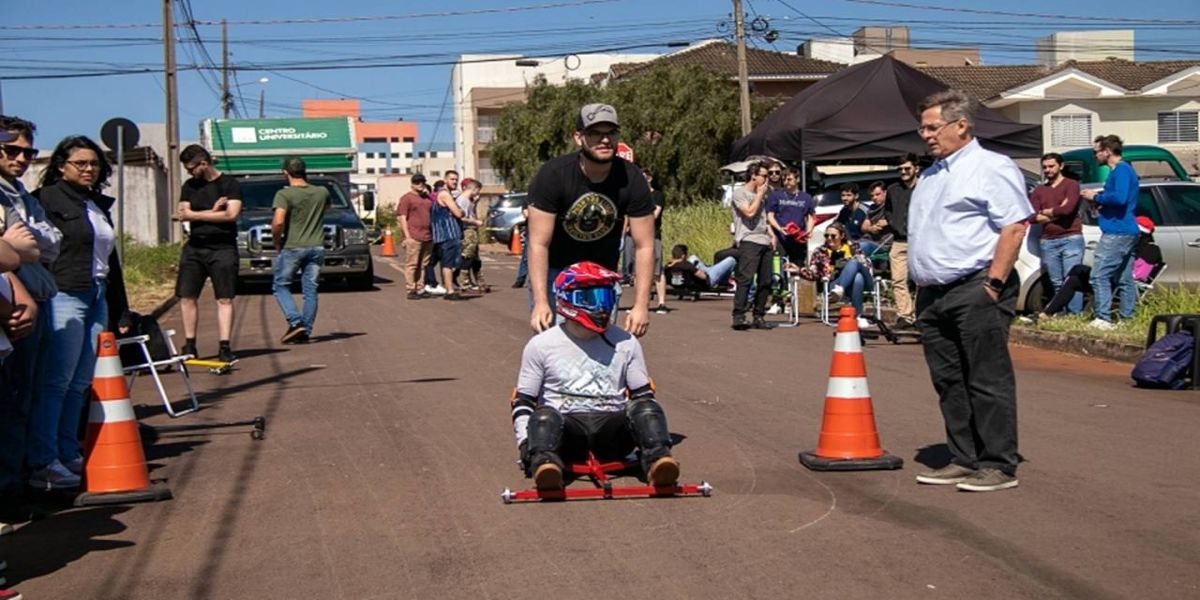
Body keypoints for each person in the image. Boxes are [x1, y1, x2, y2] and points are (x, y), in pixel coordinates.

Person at [908, 89, 1032, 493]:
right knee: (948, 379)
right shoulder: (930, 175)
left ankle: (998, 464)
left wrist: (993, 284)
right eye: (922, 128)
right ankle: (965, 457)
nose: (925, 135)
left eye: (932, 127)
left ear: (960, 126)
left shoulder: (990, 167)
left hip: (975, 286)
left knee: (986, 377)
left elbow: (1014, 226)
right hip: (934, 293)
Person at [510, 261, 679, 491]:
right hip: (565, 433)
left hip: (612, 430)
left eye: (606, 297)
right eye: (590, 299)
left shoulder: (626, 342)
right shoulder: (541, 345)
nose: (601, 308)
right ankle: (545, 464)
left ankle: (658, 461)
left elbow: (643, 394)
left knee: (647, 407)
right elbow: (523, 401)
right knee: (543, 416)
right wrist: (525, 444)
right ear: (567, 300)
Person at [31, 135, 131, 490]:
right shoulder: (44, 200)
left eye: (94, 164)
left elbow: (111, 261)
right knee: (56, 381)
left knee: (79, 383)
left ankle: (67, 451)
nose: (89, 169)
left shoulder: (96, 203)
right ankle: (44, 461)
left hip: (97, 293)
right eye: (81, 163)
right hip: (63, 294)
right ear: (61, 166)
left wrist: (122, 309)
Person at [525, 103, 655, 336]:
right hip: (557, 273)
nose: (605, 140)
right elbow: (538, 243)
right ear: (579, 137)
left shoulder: (632, 178)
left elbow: (644, 245)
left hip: (601, 276)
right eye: (595, 133)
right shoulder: (554, 175)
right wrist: (541, 301)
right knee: (555, 352)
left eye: (611, 133)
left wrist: (641, 305)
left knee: (599, 353)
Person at [0, 118, 61, 513]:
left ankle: (18, 480)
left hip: (35, 303)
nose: (22, 158)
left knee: (26, 397)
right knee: (10, 402)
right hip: (11, 309)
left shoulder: (24, 196)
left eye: (29, 152)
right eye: (11, 150)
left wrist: (24, 243)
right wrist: (17, 248)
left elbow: (50, 245)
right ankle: (9, 492)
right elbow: (9, 256)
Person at [176, 144, 242, 363]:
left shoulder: (229, 184)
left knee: (224, 298)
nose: (190, 173)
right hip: (194, 247)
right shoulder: (189, 186)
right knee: (187, 297)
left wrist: (197, 214)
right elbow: (183, 214)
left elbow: (230, 215)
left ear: (203, 163)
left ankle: (224, 345)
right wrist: (212, 212)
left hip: (223, 248)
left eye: (191, 168)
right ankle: (190, 344)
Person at [1038, 216, 1161, 320]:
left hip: (1118, 284)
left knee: (1077, 278)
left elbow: (1138, 275)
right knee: (1077, 271)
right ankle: (1051, 311)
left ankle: (1054, 312)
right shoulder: (1130, 247)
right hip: (1111, 280)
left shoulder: (1150, 250)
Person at [1081, 135, 1139, 330]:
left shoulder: (1121, 170)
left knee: (1099, 275)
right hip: (1125, 229)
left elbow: (1120, 198)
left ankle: (1103, 318)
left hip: (1118, 231)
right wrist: (1099, 201)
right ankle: (1127, 318)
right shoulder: (1122, 170)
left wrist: (1096, 195)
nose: (1095, 156)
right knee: (1124, 278)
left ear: (1107, 151)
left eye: (1096, 151)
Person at [271, 157, 329, 345]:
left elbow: (278, 221)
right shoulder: (321, 192)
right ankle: (305, 330)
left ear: (285, 172)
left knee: (280, 285)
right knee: (310, 290)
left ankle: (295, 322)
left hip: (293, 246)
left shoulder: (284, 195)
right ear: (305, 171)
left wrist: (276, 240)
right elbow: (326, 208)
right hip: (317, 246)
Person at [788, 222, 874, 330]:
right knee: (857, 278)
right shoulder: (820, 252)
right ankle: (858, 316)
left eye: (833, 236)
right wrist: (799, 270)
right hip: (834, 282)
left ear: (842, 236)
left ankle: (841, 289)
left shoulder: (853, 247)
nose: (829, 238)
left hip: (865, 281)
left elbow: (866, 264)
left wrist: (848, 263)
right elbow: (814, 274)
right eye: (826, 236)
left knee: (854, 264)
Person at [1030, 152, 1084, 315]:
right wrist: (1056, 212)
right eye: (1045, 167)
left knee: (1072, 280)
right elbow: (1031, 215)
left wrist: (1046, 212)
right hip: (1048, 240)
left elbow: (1068, 209)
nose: (1048, 170)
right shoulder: (1039, 190)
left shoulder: (1071, 185)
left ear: (1061, 166)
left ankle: (1074, 315)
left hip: (1070, 237)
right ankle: (1060, 313)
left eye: (1051, 166)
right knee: (1056, 281)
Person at [730, 162, 775, 330]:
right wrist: (759, 195)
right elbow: (749, 212)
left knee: (766, 281)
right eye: (764, 175)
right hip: (749, 240)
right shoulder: (740, 193)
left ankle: (759, 315)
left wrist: (772, 234)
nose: (767, 179)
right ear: (753, 176)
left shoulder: (763, 196)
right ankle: (739, 315)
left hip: (764, 240)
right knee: (746, 279)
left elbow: (763, 218)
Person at [883, 154, 919, 329]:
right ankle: (905, 315)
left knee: (923, 280)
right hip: (899, 240)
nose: (903, 172)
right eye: (900, 169)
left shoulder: (924, 187)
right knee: (898, 280)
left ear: (916, 169)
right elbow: (888, 210)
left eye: (907, 168)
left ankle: (922, 316)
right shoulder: (893, 190)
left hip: (920, 240)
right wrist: (893, 223)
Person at [766, 167, 815, 266]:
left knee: (798, 267)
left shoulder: (806, 197)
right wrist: (779, 229)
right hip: (781, 238)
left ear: (797, 179)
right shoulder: (775, 195)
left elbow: (811, 217)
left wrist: (809, 231)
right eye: (783, 180)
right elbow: (770, 215)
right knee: (778, 266)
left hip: (798, 239)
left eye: (789, 179)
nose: (786, 182)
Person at [432, 173, 467, 301]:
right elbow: (458, 213)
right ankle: (450, 290)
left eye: (456, 180)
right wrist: (460, 211)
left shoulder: (444, 194)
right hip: (448, 233)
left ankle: (448, 288)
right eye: (452, 179)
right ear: (445, 180)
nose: (454, 182)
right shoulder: (445, 194)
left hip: (443, 234)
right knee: (449, 264)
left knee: (446, 263)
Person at [398, 174, 433, 300]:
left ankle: (420, 287)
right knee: (412, 264)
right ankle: (411, 288)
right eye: (417, 182)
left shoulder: (427, 198)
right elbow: (402, 218)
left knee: (423, 264)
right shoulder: (407, 198)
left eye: (422, 182)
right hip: (414, 236)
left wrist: (429, 194)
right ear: (412, 184)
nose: (420, 184)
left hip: (427, 236)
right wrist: (407, 236)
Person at [455, 178, 486, 292]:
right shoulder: (463, 200)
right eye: (478, 190)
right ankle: (465, 283)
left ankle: (480, 282)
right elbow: (461, 217)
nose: (478, 193)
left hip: (472, 230)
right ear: (474, 189)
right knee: (467, 257)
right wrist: (475, 222)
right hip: (467, 230)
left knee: (475, 258)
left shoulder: (468, 201)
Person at [644, 170, 668, 314]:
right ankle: (641, 303)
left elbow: (655, 215)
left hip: (654, 235)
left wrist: (639, 218)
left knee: (657, 270)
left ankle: (661, 303)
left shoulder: (657, 195)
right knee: (638, 271)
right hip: (638, 236)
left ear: (650, 178)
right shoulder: (637, 196)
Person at [664, 244, 737, 291]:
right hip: (708, 281)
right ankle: (723, 282)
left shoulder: (667, 266)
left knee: (693, 258)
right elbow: (704, 277)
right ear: (683, 256)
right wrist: (697, 270)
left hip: (684, 283)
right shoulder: (687, 265)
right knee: (731, 260)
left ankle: (711, 267)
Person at [835, 183, 878, 257]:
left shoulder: (865, 210)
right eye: (843, 195)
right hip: (850, 244)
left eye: (848, 195)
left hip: (866, 244)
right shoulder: (843, 211)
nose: (845, 198)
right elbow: (837, 226)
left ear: (856, 196)